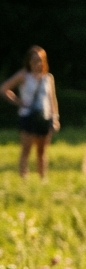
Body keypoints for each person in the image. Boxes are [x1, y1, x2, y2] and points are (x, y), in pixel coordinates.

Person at [2, 46, 60, 179]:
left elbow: (52, 99)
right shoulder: (23, 76)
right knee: (26, 149)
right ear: (28, 61)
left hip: (44, 117)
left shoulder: (48, 78)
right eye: (33, 60)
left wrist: (55, 118)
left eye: (39, 60)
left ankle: (42, 178)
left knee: (42, 151)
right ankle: (24, 178)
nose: (36, 63)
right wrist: (18, 101)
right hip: (27, 116)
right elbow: (4, 89)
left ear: (43, 61)